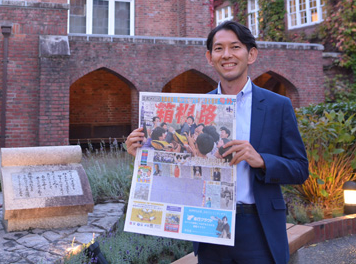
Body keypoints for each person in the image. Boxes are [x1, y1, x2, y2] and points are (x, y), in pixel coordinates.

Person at [126, 20, 309, 264]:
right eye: (219, 48)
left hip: (258, 226)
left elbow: (299, 168)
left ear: (251, 54)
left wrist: (262, 160)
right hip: (208, 226)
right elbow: (179, 168)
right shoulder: (195, 110)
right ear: (209, 57)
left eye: (235, 47)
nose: (227, 55)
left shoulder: (278, 105)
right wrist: (142, 152)